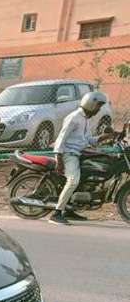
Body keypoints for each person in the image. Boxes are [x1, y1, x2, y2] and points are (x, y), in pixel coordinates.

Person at [50, 91, 111, 225]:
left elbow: (88, 139)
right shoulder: (74, 117)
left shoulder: (85, 119)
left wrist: (106, 137)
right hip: (68, 154)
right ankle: (57, 213)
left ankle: (69, 209)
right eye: (98, 105)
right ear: (90, 103)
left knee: (85, 178)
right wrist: (58, 159)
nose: (99, 109)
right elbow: (61, 138)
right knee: (73, 180)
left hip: (79, 153)